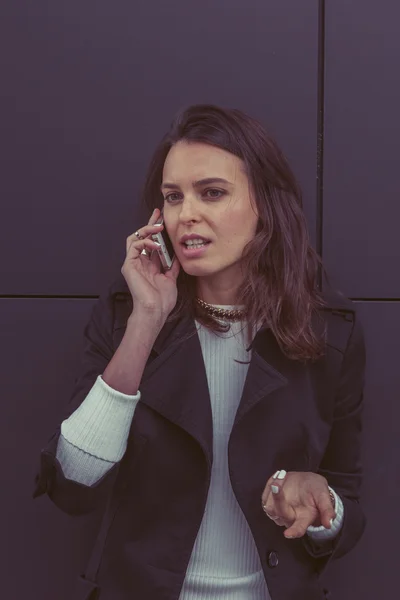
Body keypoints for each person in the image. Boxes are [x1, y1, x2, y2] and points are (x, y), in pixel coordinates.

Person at [33, 104, 366, 600]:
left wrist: (321, 504)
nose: (185, 213)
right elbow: (74, 486)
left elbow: (348, 505)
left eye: (212, 192)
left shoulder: (329, 330)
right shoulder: (127, 314)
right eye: (172, 197)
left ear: (266, 205)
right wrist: (147, 321)